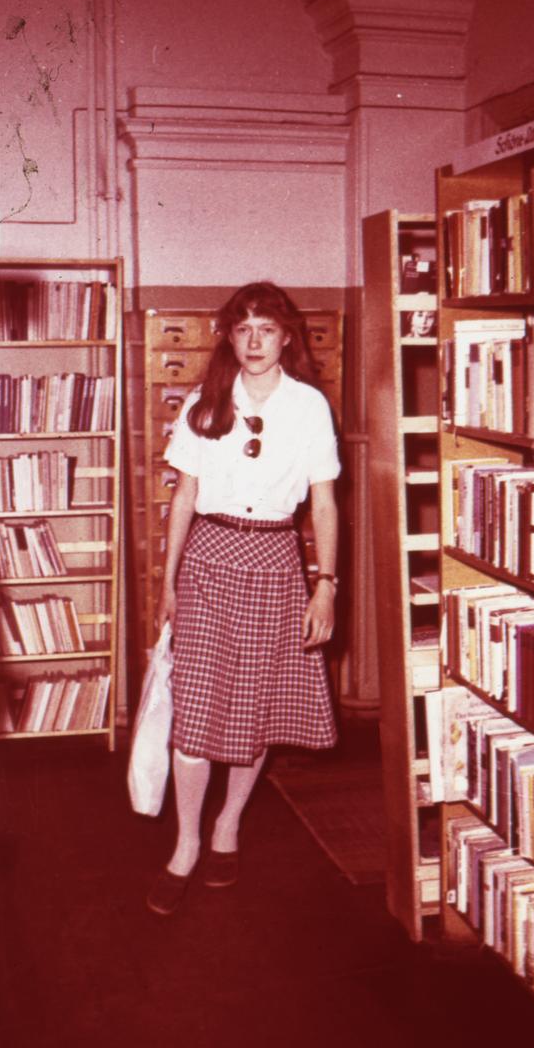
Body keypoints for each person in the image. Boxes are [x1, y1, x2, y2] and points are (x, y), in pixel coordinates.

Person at [146, 280, 340, 916]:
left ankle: (228, 825)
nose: (255, 341)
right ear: (229, 337)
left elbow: (325, 502)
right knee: (196, 713)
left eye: (267, 329)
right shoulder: (204, 401)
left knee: (253, 709)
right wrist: (168, 582)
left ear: (286, 338)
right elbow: (183, 496)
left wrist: (326, 585)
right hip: (207, 559)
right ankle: (186, 843)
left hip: (274, 560)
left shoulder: (309, 406)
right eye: (243, 329)